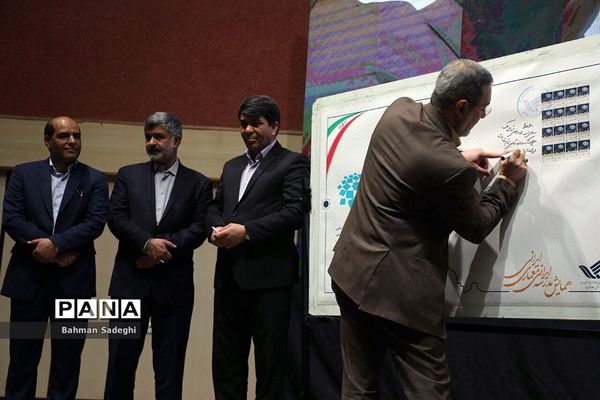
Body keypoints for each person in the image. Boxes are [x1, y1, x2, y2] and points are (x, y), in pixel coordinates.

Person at [328, 59, 528, 399]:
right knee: (428, 392)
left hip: (351, 271)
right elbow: (476, 226)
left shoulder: (399, 110)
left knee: (358, 389)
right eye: (482, 109)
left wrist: (455, 155)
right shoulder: (449, 168)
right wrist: (506, 181)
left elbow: (418, 161)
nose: (483, 116)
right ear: (461, 107)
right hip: (402, 294)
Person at [103, 112, 212, 399]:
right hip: (129, 285)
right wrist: (146, 243)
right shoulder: (128, 174)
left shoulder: (199, 183)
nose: (151, 142)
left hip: (173, 289)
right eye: (148, 137)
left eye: (158, 137)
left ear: (176, 140)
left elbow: (198, 229)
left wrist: (160, 250)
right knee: (119, 367)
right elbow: (116, 218)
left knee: (169, 372)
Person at [207, 95, 310, 399]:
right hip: (229, 280)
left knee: (270, 367)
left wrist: (247, 232)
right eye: (243, 124)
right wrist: (215, 229)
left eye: (256, 123)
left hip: (270, 283)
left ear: (274, 126)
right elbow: (216, 207)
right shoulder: (231, 167)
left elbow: (294, 213)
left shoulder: (293, 163)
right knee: (226, 366)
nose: (248, 130)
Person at [2, 116, 109, 399]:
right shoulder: (23, 173)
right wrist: (49, 252)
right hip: (28, 280)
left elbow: (95, 222)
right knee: (22, 360)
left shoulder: (95, 179)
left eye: (77, 135)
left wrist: (55, 245)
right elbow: (12, 218)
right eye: (64, 136)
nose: (72, 141)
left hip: (74, 281)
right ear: (48, 141)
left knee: (67, 364)